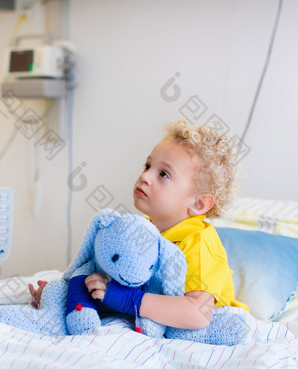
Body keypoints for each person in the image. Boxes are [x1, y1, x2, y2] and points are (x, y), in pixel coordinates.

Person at [30, 119, 248, 330]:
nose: (145, 176)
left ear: (199, 203)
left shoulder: (198, 242)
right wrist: (61, 298)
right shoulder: (141, 231)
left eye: (163, 174)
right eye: (148, 165)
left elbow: (198, 314)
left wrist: (127, 299)